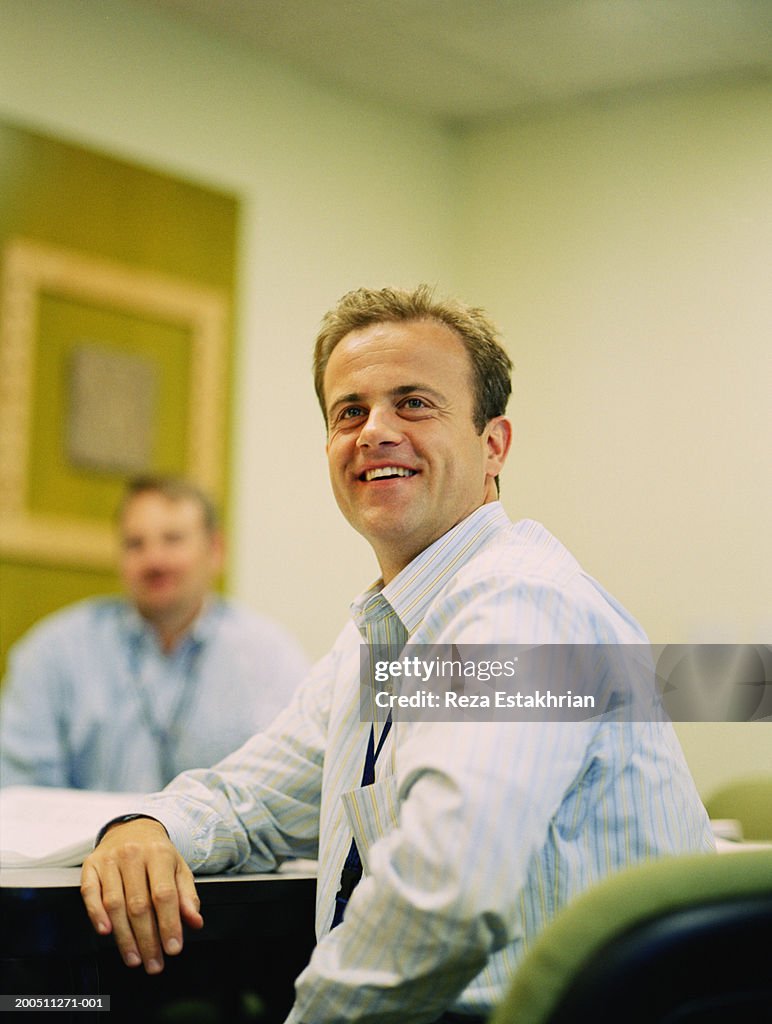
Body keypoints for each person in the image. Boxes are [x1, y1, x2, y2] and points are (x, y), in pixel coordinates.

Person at [80, 287, 713, 1023]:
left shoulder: (522, 608)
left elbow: (447, 894)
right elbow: (247, 800)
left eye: (414, 403)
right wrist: (145, 828)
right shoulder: (382, 635)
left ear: (494, 445)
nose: (374, 431)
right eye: (349, 411)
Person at [0, 476, 309, 792]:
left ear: (215, 550)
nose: (155, 560)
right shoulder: (52, 654)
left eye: (173, 539)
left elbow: (290, 786)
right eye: (136, 544)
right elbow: (20, 789)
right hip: (86, 842)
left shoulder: (270, 657)